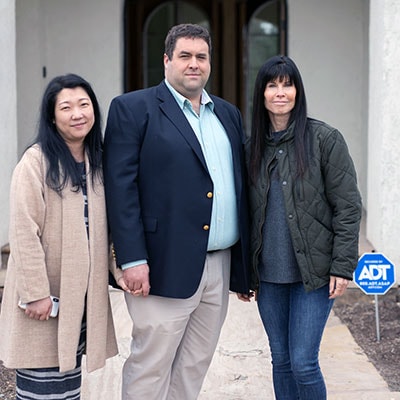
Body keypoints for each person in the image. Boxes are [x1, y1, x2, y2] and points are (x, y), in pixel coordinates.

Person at [103, 23, 251, 400]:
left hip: (219, 264)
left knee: (194, 365)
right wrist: (131, 257)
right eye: (184, 56)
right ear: (166, 60)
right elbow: (121, 189)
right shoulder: (133, 109)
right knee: (151, 365)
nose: (193, 64)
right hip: (161, 263)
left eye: (201, 57)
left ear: (210, 63)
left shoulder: (228, 115)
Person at [0, 73, 126, 400]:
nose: (77, 113)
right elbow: (23, 231)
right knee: (41, 386)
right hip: (46, 299)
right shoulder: (36, 161)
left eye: (84, 104)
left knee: (69, 384)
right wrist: (35, 292)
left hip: (80, 299)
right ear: (52, 117)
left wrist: (121, 270)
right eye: (66, 107)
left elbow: (110, 229)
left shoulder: (97, 162)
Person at [247, 55, 362, 400]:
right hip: (269, 277)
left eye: (288, 84)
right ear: (262, 94)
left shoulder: (325, 139)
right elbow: (243, 214)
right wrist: (243, 272)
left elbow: (348, 206)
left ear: (298, 91)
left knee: (303, 362)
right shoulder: (250, 148)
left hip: (312, 275)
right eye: (272, 85)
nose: (280, 92)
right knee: (280, 359)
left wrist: (343, 265)